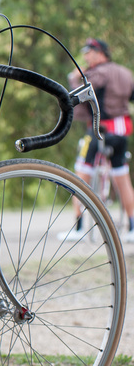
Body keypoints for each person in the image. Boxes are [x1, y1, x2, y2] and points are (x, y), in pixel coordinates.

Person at [64, 38, 134, 242]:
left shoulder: (97, 73)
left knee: (80, 173)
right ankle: (132, 227)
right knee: (122, 178)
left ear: (100, 53)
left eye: (89, 52)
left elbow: (80, 95)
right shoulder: (125, 73)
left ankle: (78, 228)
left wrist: (74, 78)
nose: (86, 57)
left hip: (98, 131)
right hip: (121, 132)